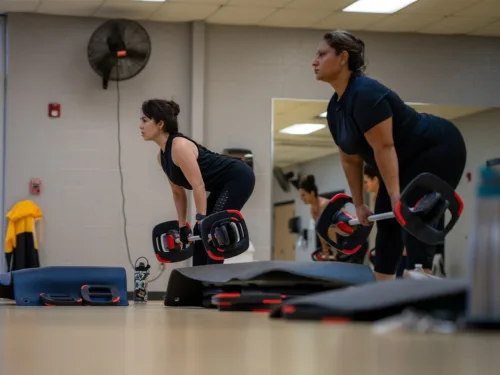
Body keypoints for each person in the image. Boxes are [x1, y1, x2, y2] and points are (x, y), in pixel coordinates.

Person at [312, 30, 466, 281]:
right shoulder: (335, 108)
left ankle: (420, 280)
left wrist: (396, 195)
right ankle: (382, 290)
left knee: (409, 214)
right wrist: (359, 204)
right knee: (386, 221)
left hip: (438, 147)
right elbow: (350, 159)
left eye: (321, 54)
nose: (314, 61)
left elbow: (384, 148)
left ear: (342, 58)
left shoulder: (365, 93)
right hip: (403, 161)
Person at [140, 99, 255, 266]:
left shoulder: (179, 146)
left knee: (213, 230)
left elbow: (198, 185)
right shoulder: (162, 157)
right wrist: (182, 225)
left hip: (238, 177)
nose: (140, 126)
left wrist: (202, 219)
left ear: (160, 124)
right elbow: (177, 192)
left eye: (144, 120)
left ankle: (212, 285)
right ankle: (198, 284)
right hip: (222, 184)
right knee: (199, 232)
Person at [298, 174, 367, 264]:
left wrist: (335, 253)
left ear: (312, 193)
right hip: (345, 241)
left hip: (355, 238)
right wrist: (325, 251)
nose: (301, 198)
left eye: (303, 195)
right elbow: (320, 231)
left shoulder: (323, 205)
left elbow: (331, 230)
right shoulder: (313, 210)